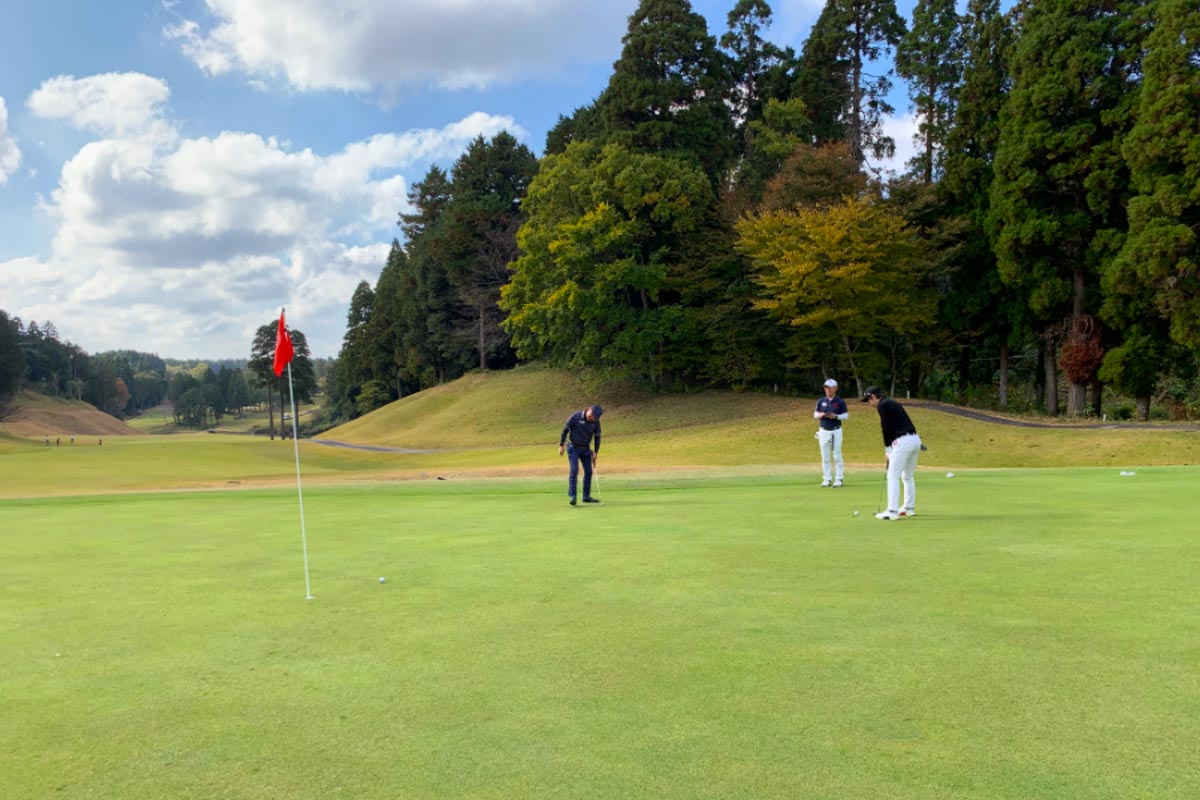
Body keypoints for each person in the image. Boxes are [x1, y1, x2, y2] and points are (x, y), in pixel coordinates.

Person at [862, 386, 921, 520]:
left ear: (873, 397)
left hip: (903, 442)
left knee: (893, 476)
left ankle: (892, 511)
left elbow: (886, 428)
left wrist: (888, 449)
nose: (869, 403)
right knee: (907, 476)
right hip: (915, 439)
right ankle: (908, 508)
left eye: (869, 400)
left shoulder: (882, 405)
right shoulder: (892, 403)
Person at [558, 404, 603, 506]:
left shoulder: (595, 422)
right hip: (573, 447)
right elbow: (565, 430)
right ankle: (573, 496)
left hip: (585, 448)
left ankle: (586, 496)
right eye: (592, 415)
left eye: (595, 417)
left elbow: (597, 437)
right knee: (574, 470)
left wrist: (595, 452)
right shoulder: (576, 416)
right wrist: (561, 445)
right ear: (589, 410)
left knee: (588, 472)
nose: (592, 418)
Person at [814, 378, 848, 487]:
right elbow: (815, 414)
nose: (828, 390)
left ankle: (839, 478)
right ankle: (827, 479)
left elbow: (845, 416)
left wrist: (835, 416)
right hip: (824, 430)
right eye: (826, 388)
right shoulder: (821, 401)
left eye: (830, 388)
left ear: (835, 388)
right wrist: (821, 415)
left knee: (837, 455)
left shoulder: (840, 402)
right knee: (825, 456)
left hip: (836, 430)